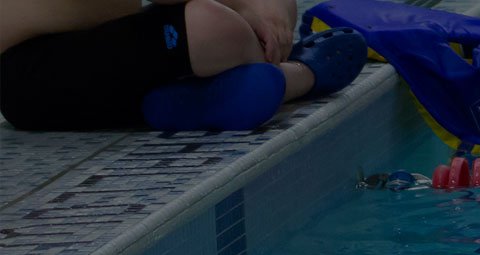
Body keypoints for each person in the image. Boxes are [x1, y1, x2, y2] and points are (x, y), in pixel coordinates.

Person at [1, 0, 365, 131]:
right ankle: (298, 76)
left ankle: (188, 99)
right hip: (32, 77)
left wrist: (266, 10)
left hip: (96, 56)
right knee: (211, 24)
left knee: (243, 16)